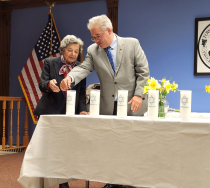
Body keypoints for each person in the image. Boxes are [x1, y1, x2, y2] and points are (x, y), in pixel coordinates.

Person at [60, 15, 150, 188]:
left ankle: (130, 183)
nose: (95, 40)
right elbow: (85, 67)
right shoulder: (93, 50)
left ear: (109, 30)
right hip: (109, 105)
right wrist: (70, 77)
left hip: (132, 103)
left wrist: (139, 95)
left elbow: (143, 72)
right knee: (112, 145)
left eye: (98, 36)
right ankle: (113, 182)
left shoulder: (132, 44)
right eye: (93, 37)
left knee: (131, 145)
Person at [34, 35, 89, 188]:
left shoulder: (81, 67)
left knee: (64, 149)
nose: (73, 54)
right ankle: (45, 180)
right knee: (48, 148)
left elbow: (82, 93)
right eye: (70, 50)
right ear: (62, 50)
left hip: (69, 113)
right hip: (50, 112)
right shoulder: (50, 62)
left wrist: (83, 110)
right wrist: (49, 84)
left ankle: (62, 182)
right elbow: (41, 84)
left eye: (76, 51)